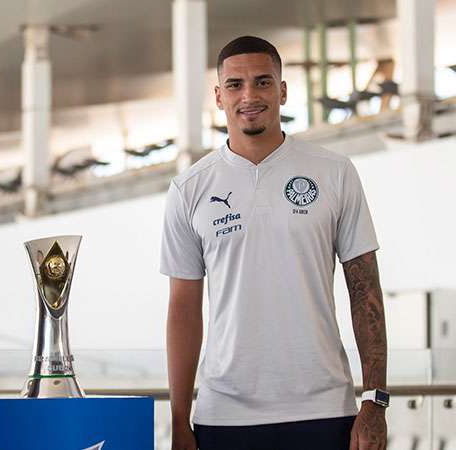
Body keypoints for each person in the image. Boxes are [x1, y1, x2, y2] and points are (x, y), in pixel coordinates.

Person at [161, 36, 388, 450]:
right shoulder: (190, 189)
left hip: (325, 411)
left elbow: (366, 291)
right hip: (224, 416)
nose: (249, 96)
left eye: (263, 82)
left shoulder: (334, 172)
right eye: (235, 85)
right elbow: (183, 309)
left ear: (282, 90)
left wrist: (375, 401)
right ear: (218, 96)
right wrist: (178, 421)